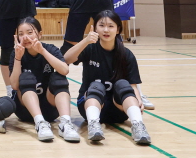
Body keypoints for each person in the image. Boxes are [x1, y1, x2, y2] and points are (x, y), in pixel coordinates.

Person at [64, 10, 151, 144]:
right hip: (90, 105)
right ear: (95, 28)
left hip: (119, 109)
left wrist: (137, 101)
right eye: (101, 25)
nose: (106, 30)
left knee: (123, 84)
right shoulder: (90, 48)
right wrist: (85, 41)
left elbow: (132, 85)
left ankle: (138, 126)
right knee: (96, 86)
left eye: (111, 26)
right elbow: (66, 59)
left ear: (118, 30)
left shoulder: (126, 54)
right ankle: (93, 126)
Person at [9, 17, 79, 142]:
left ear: (40, 34)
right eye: (21, 34)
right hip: (25, 111)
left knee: (59, 78)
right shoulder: (16, 53)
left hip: (50, 109)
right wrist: (18, 58)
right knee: (26, 77)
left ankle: (66, 124)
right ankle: (40, 123)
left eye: (29, 32)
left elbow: (65, 70)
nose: (25, 37)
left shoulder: (50, 49)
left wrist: (42, 51)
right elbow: (14, 85)